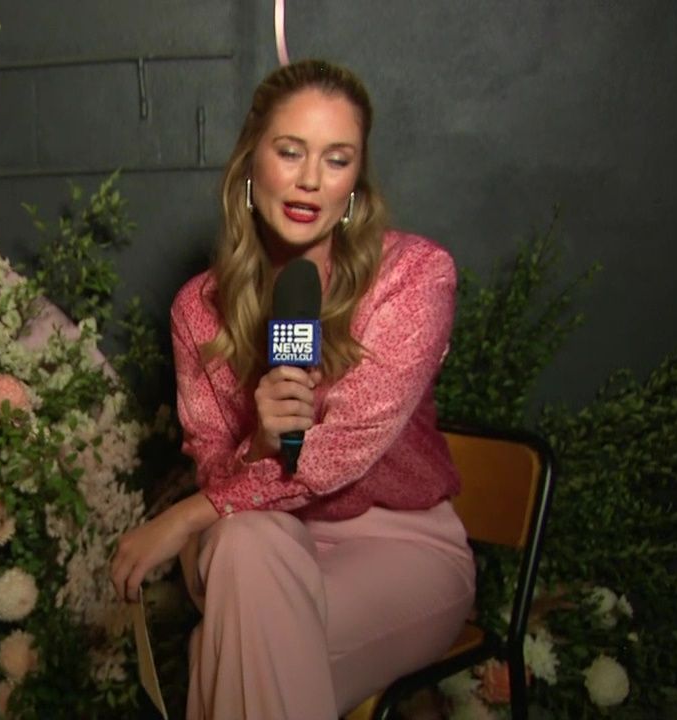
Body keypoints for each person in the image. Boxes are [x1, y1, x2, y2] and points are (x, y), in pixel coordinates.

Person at [109, 59, 477, 719]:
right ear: (251, 162)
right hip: (261, 545)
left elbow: (340, 452)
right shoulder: (198, 310)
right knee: (246, 547)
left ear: (355, 181)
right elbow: (215, 468)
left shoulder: (414, 276)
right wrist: (259, 442)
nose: (310, 179)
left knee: (219, 651)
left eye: (337, 159)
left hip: (401, 551)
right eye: (290, 151)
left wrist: (185, 516)